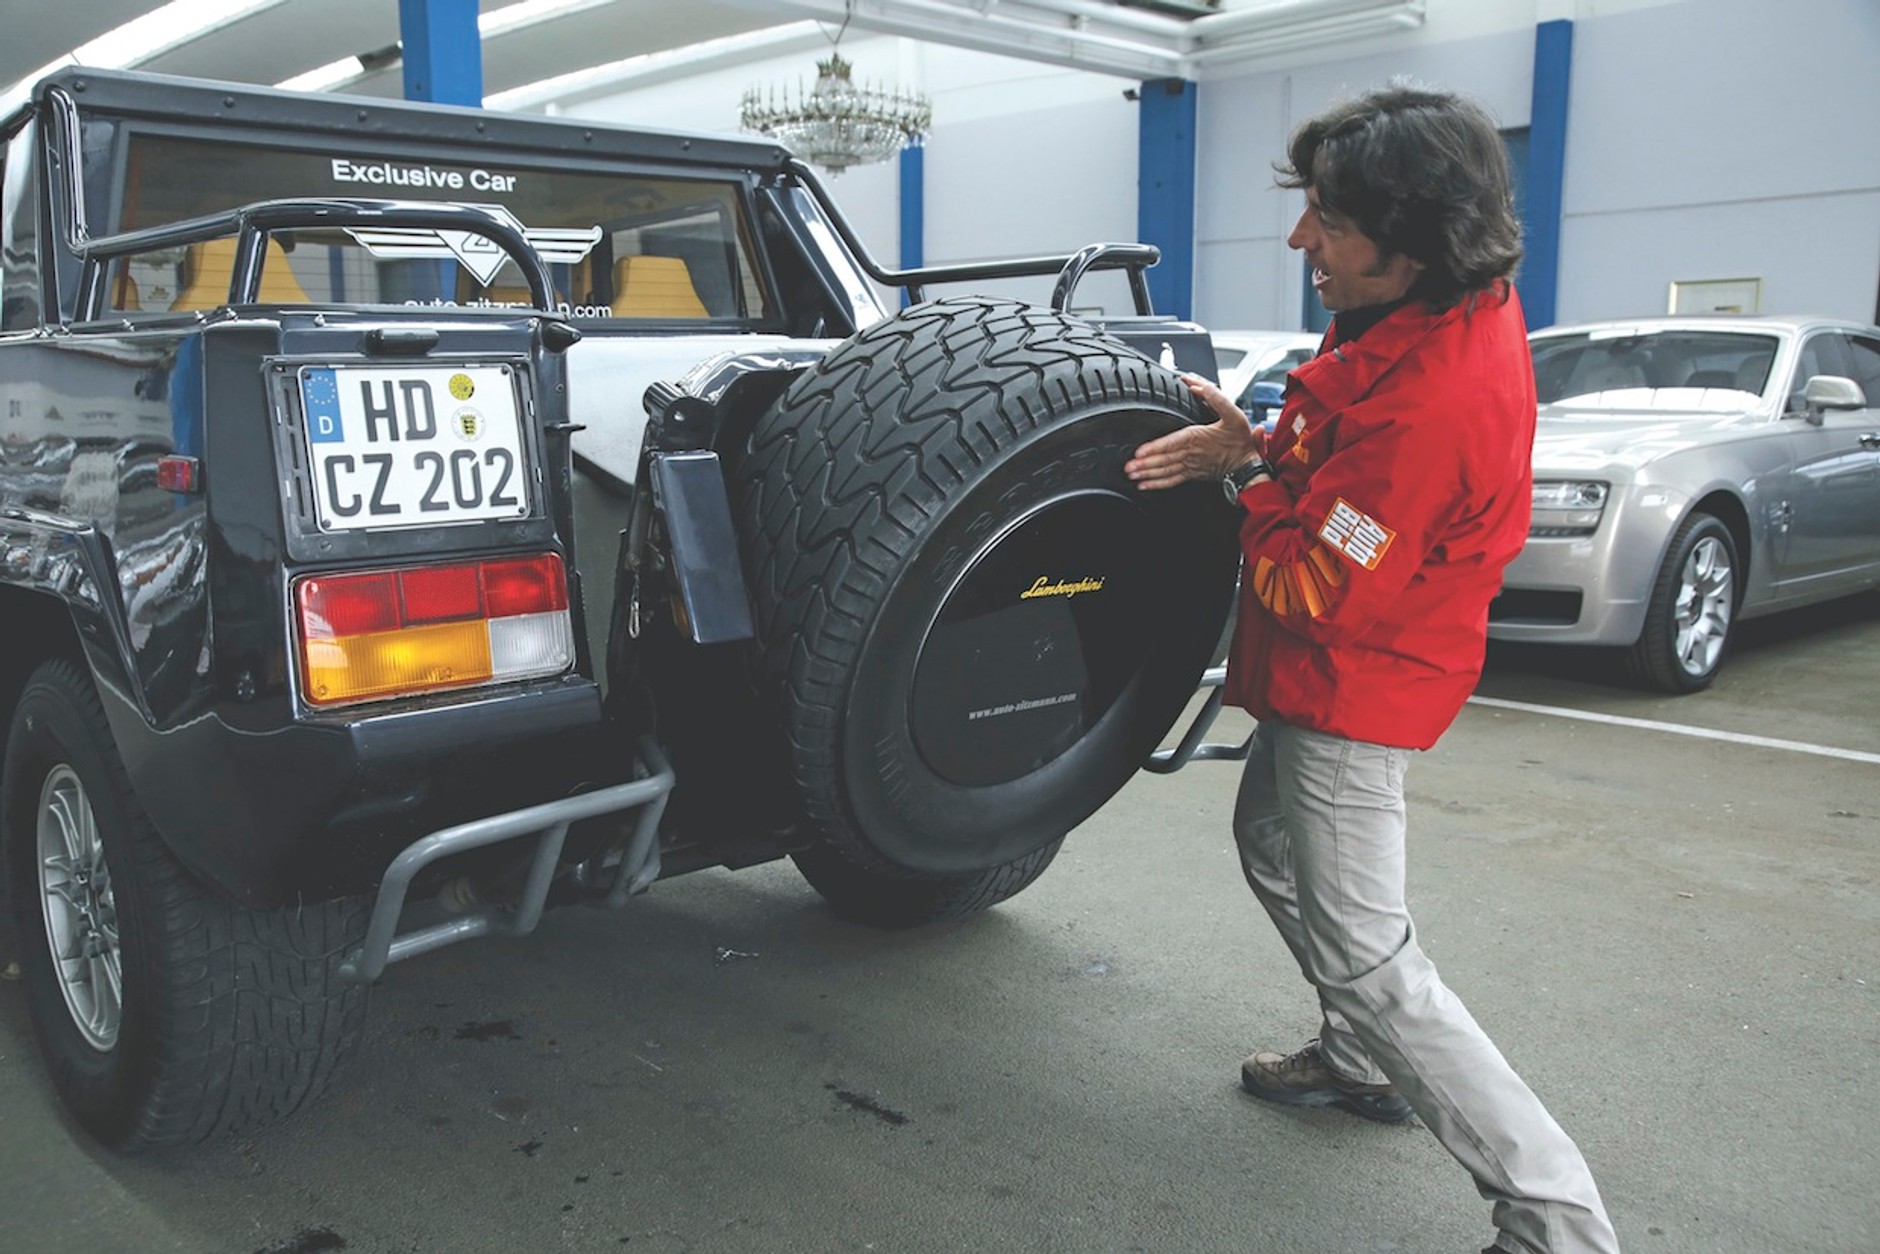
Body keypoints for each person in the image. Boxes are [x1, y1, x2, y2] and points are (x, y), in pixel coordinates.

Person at [1125, 83, 1620, 1254]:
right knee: (1265, 842)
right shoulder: (1435, 313)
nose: (1300, 240)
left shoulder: (1427, 415)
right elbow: (1331, 466)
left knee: (1373, 957)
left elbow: (1314, 584)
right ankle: (1358, 1063)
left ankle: (1556, 1220)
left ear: (1410, 247)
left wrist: (1237, 477)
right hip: (1337, 667)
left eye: (1327, 222)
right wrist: (1259, 444)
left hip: (1357, 688)